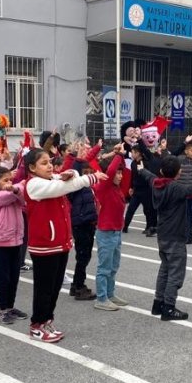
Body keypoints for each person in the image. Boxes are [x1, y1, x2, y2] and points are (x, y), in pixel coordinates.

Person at [23, 149, 107, 341]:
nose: (49, 165)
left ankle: (47, 320)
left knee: (54, 287)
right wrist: (89, 178)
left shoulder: (51, 179)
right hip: (44, 245)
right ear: (32, 168)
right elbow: (63, 187)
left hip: (60, 243)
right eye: (43, 163)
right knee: (44, 288)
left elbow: (68, 176)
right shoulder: (34, 184)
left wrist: (74, 174)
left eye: (49, 161)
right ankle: (37, 324)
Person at [141, 155, 192, 321]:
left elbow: (149, 176)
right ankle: (169, 308)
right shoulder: (175, 188)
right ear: (179, 172)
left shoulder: (157, 184)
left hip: (163, 235)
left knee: (165, 269)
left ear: (162, 171)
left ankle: (158, 303)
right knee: (175, 274)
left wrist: (141, 169)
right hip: (175, 236)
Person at [0, 166, 28, 324]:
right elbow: (16, 192)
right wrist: (18, 187)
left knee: (14, 276)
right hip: (1, 240)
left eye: (10, 179)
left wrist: (16, 188)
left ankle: (10, 306)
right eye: (5, 180)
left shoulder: (13, 192)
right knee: (3, 277)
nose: (8, 183)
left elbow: (24, 198)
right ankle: (3, 309)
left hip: (16, 239)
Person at [93, 145, 128, 311]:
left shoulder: (116, 188)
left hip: (116, 231)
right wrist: (118, 154)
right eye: (117, 173)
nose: (119, 175)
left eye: (121, 173)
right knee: (104, 267)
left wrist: (122, 157)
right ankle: (101, 298)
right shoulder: (103, 186)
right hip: (106, 232)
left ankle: (110, 293)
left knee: (114, 266)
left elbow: (124, 171)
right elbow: (112, 170)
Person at [68, 141, 102, 301]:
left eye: (91, 172)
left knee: (85, 256)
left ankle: (76, 285)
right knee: (82, 256)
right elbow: (74, 170)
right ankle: (79, 286)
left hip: (88, 223)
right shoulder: (76, 186)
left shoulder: (89, 188)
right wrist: (79, 158)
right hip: (80, 224)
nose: (89, 175)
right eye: (85, 172)